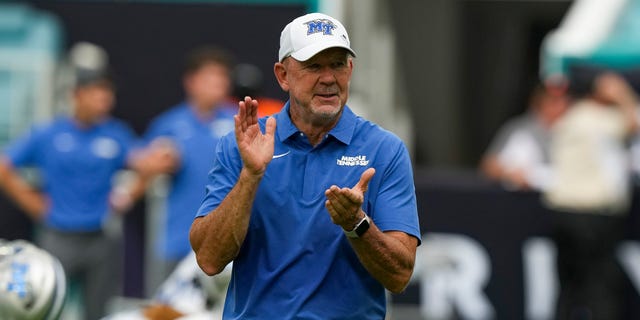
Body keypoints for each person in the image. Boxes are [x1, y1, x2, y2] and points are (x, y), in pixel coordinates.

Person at [189, 12, 421, 319]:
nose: (328, 78)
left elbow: (400, 275)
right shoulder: (243, 144)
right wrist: (250, 176)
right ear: (283, 75)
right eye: (313, 65)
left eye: (338, 64)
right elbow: (209, 259)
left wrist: (357, 225)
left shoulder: (384, 149)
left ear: (349, 70)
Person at [543, 71, 639, 320]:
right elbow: (634, 122)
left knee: (568, 288)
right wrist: (623, 95)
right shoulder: (598, 119)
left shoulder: (571, 117)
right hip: (591, 217)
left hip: (562, 213)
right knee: (601, 288)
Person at [138, 46, 238, 275]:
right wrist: (154, 162)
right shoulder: (169, 125)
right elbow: (139, 164)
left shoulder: (241, 121)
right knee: (169, 310)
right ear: (191, 82)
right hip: (176, 241)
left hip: (226, 243)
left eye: (222, 77)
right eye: (210, 77)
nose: (218, 83)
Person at [479, 82, 569, 191]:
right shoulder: (520, 128)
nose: (561, 106)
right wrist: (510, 173)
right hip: (524, 199)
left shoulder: (576, 130)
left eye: (565, 101)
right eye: (554, 101)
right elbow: (489, 166)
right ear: (538, 103)